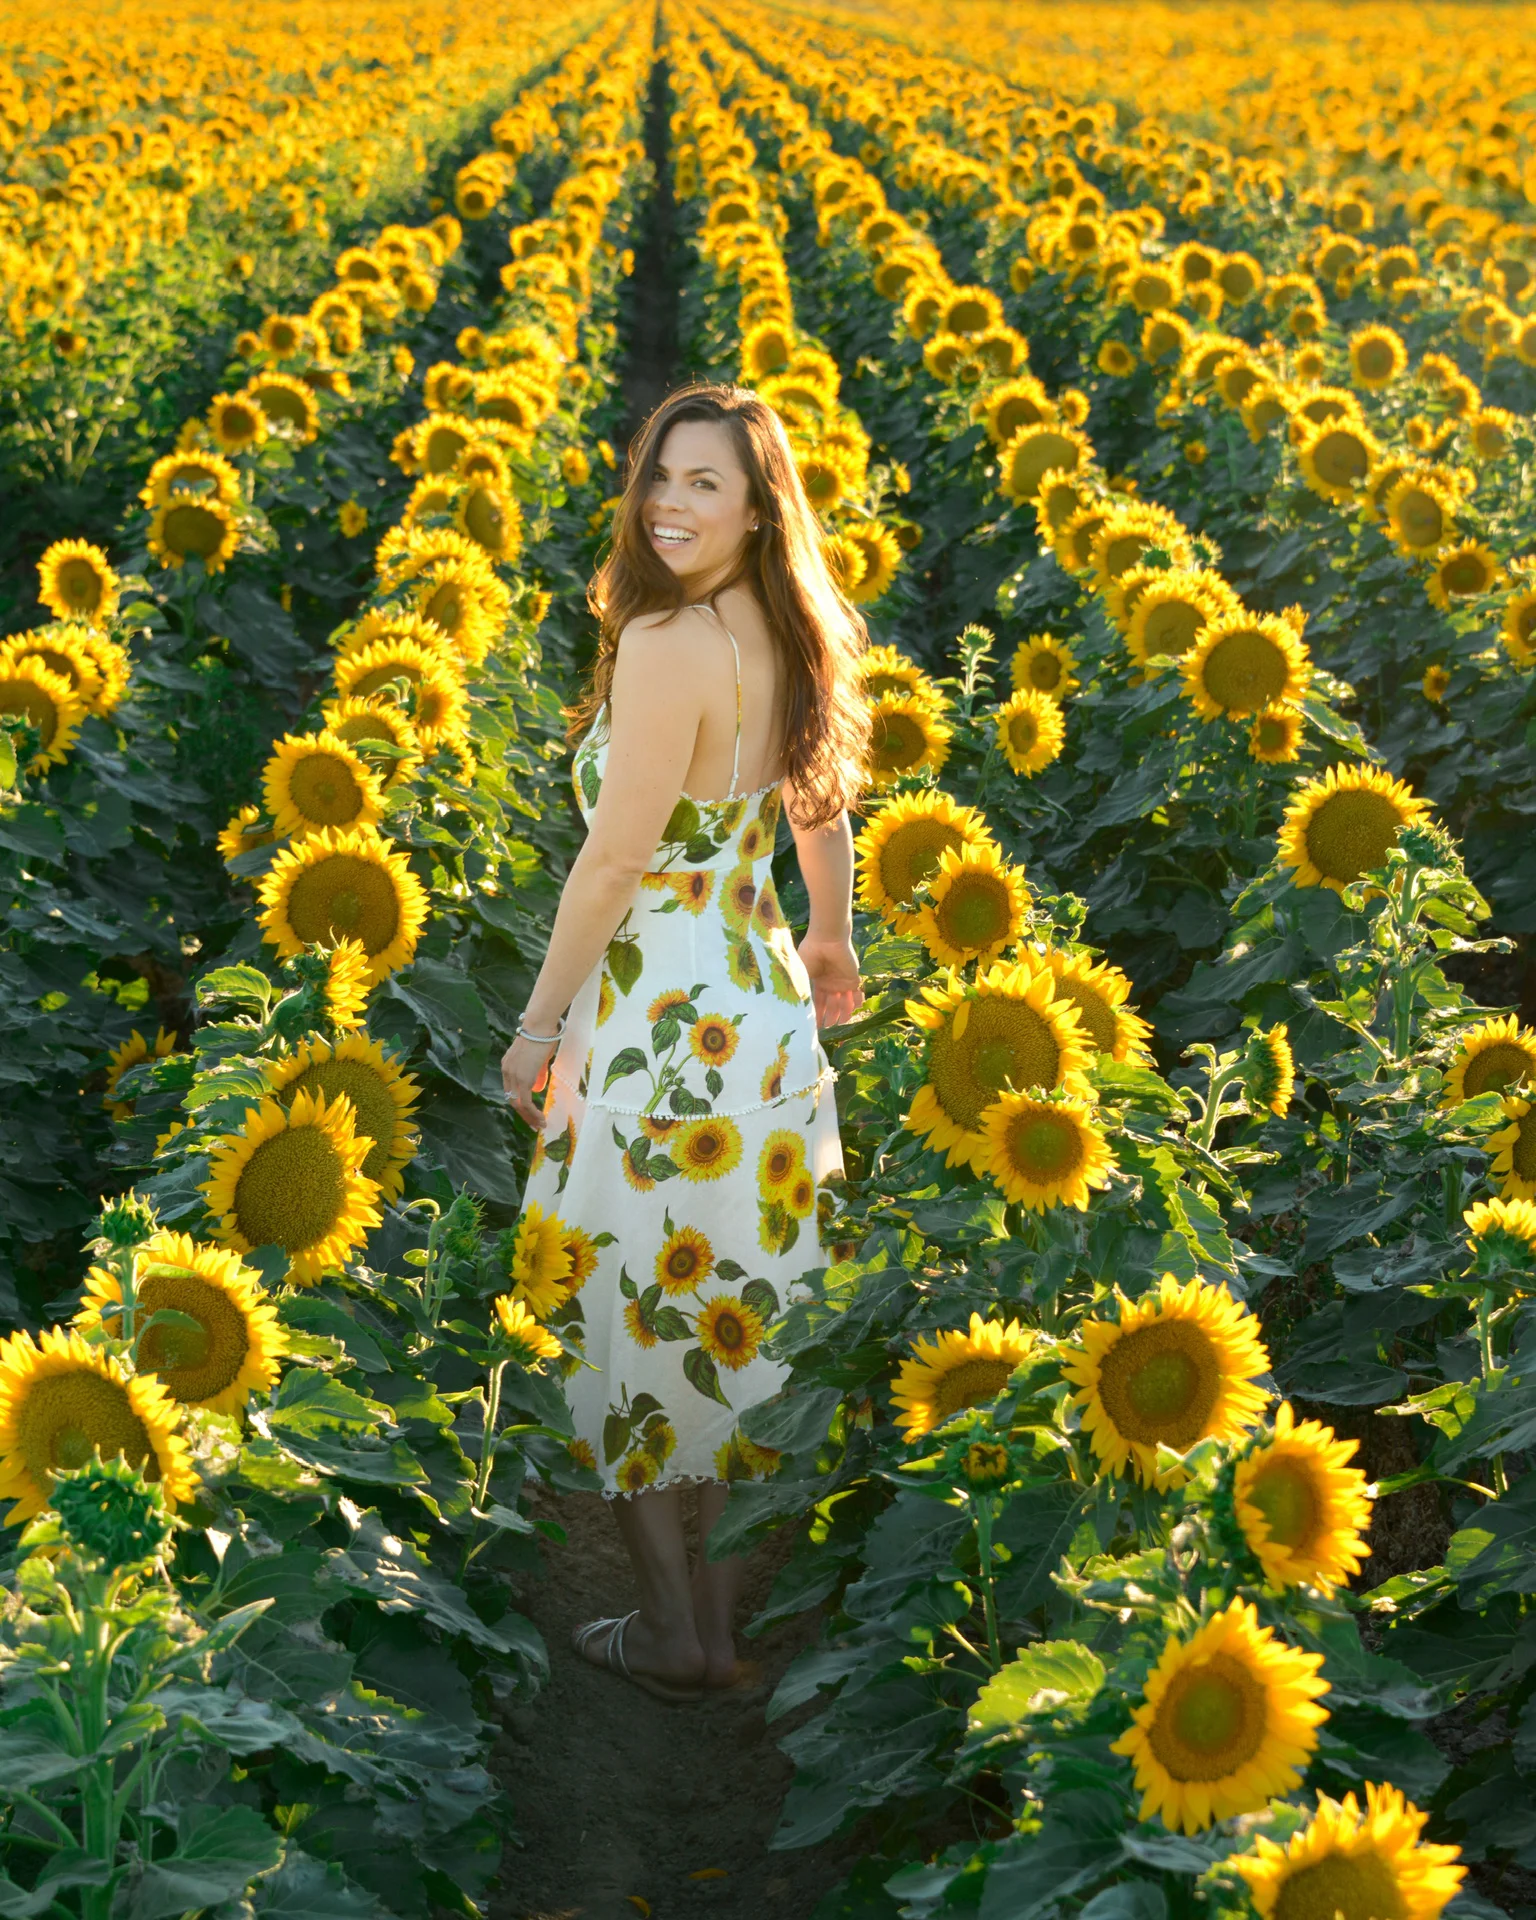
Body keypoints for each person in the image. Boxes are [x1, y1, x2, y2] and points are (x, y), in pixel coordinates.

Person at [500, 383, 868, 1702]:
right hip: (760, 1023)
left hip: (656, 1028)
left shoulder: (666, 647)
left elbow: (610, 866)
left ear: (758, 503)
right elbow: (819, 798)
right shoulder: (792, 624)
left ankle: (673, 1635)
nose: (670, 502)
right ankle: (718, 1625)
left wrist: (542, 1025)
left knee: (631, 1317)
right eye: (662, 475)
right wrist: (831, 936)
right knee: (743, 1319)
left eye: (706, 482)